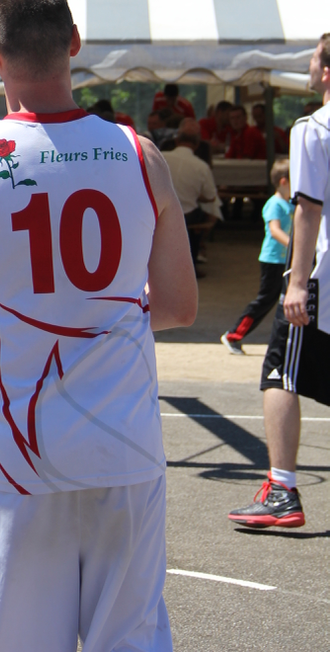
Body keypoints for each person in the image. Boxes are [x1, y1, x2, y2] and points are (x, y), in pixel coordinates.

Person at [0, 0, 197, 651]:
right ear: (74, 42)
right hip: (123, 448)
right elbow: (178, 307)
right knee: (129, 639)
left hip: (15, 458)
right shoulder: (139, 154)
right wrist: (98, 311)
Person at [228, 35, 330, 530]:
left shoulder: (314, 128)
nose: (306, 65)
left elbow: (307, 208)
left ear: (326, 72)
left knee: (280, 373)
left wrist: (297, 281)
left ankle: (282, 489)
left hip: (322, 274)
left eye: (312, 58)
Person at [221, 159, 292, 354]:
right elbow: (275, 231)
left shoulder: (291, 203)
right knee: (265, 300)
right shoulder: (274, 204)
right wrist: (295, 246)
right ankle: (233, 335)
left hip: (287, 260)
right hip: (273, 260)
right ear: (284, 181)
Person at [161, 126, 221, 270]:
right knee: (206, 215)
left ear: (177, 141)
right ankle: (193, 259)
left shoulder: (161, 157)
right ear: (197, 144)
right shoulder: (201, 166)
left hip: (160, 210)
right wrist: (196, 195)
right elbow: (211, 197)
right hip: (187, 214)